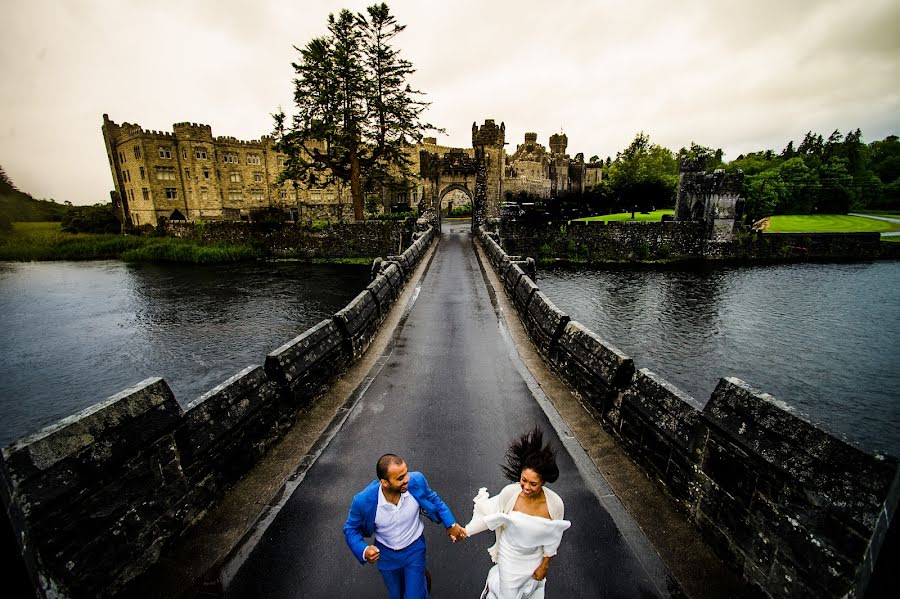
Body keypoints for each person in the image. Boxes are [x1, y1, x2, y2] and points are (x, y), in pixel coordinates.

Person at [464, 428, 571, 599]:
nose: (526, 487)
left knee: (530, 592)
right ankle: (495, 586)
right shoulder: (510, 493)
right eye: (523, 480)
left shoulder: (555, 504)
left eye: (533, 484)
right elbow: (490, 515)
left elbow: (554, 537)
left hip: (534, 557)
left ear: (543, 482)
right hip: (509, 555)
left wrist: (545, 565)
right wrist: (466, 531)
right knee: (509, 594)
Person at [344, 453, 468, 599]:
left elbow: (436, 501)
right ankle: (420, 581)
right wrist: (364, 550)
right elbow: (350, 529)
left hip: (414, 550)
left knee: (414, 596)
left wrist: (451, 524)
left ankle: (419, 585)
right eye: (400, 478)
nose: (407, 479)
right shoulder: (363, 501)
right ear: (384, 483)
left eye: (406, 473)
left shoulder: (416, 481)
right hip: (386, 556)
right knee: (396, 595)